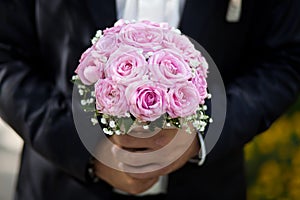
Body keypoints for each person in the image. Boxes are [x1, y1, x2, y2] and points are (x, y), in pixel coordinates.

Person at [0, 0, 299, 199]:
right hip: (62, 185)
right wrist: (85, 149)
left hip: (206, 186)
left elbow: (286, 55)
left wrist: (201, 132)